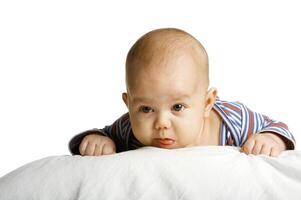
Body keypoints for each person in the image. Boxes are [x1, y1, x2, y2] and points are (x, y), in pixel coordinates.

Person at [69, 28, 295, 157]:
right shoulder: (129, 127)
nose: (161, 123)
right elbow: (102, 134)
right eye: (146, 108)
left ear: (207, 102)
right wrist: (97, 140)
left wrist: (271, 138)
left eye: (177, 107)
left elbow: (277, 127)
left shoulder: (232, 120)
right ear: (129, 105)